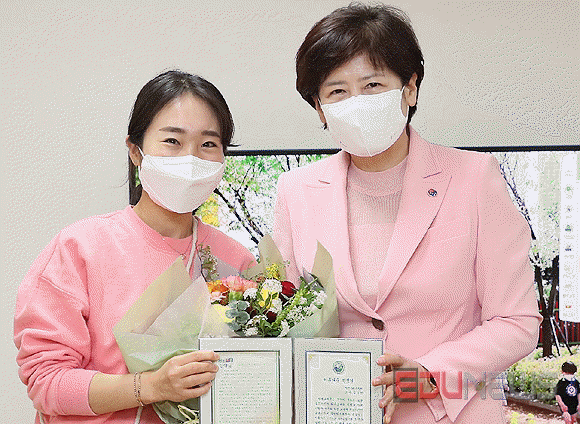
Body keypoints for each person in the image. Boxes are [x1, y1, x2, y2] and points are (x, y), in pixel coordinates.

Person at [272, 4, 541, 423]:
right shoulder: (295, 191)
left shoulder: (473, 178)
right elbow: (285, 319)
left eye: (373, 85)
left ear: (409, 88)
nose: (356, 102)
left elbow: (517, 321)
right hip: (338, 412)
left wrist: (429, 375)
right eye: (337, 91)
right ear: (320, 108)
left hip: (452, 415)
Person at [14, 70, 256, 424]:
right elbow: (47, 382)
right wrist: (152, 386)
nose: (191, 158)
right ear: (135, 151)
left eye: (208, 144)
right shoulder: (80, 248)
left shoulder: (238, 261)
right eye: (172, 141)